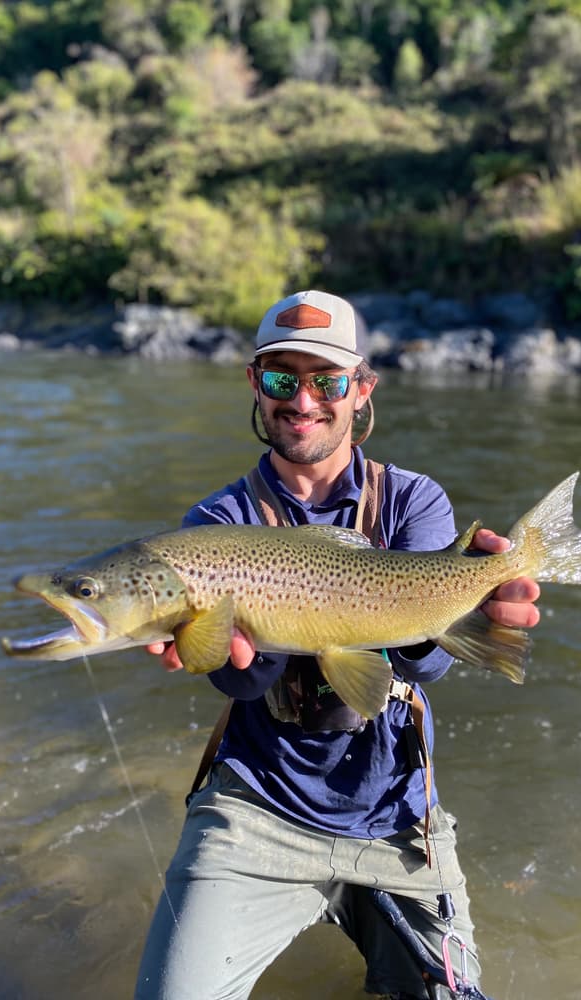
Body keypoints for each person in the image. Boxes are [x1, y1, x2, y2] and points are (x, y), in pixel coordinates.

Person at [135, 290, 540, 1000]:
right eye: (281, 378)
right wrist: (226, 643)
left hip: (397, 818)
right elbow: (240, 684)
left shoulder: (413, 501)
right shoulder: (217, 523)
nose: (303, 401)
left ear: (362, 389)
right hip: (256, 809)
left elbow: (428, 664)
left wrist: (479, 606)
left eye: (327, 381)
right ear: (255, 385)